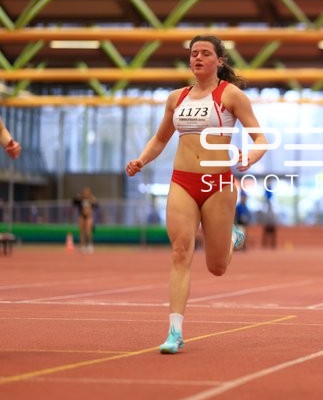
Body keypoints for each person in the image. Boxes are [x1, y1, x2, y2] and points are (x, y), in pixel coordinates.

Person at [126, 35, 268, 354]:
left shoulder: (230, 95)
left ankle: (230, 239)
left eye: (205, 53)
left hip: (218, 185)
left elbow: (260, 137)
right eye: (194, 54)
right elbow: (160, 139)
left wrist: (250, 156)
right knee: (180, 251)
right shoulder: (176, 98)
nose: (198, 58)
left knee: (217, 267)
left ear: (220, 61)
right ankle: (174, 331)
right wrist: (141, 160)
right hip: (182, 182)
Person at [73, 186, 98, 252]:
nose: (86, 193)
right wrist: (77, 198)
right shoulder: (80, 199)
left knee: (88, 231)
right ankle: (82, 245)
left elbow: (96, 206)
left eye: (87, 192)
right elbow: (74, 203)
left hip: (89, 216)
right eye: (84, 192)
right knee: (82, 231)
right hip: (81, 216)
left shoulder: (91, 199)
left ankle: (90, 245)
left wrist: (94, 201)